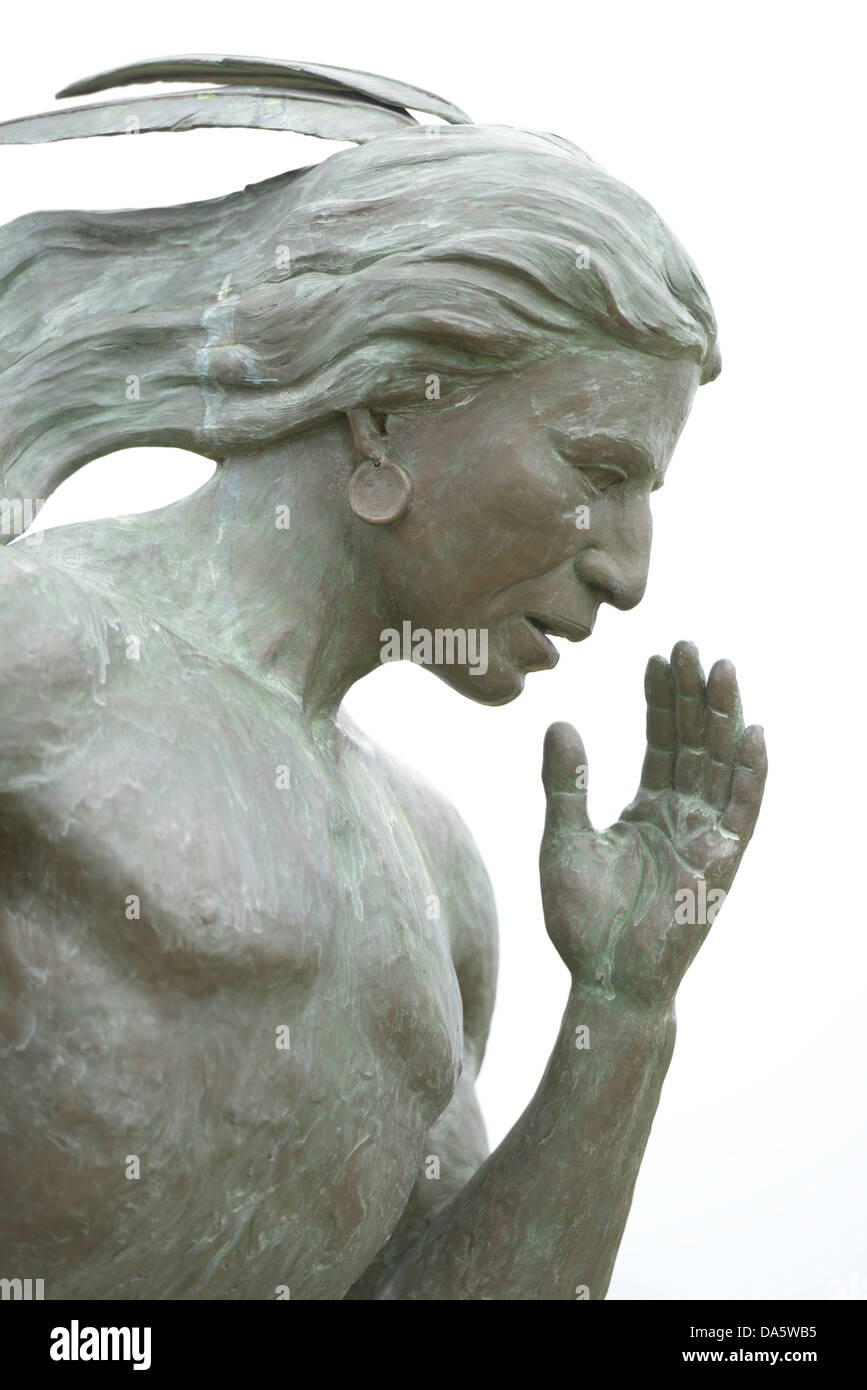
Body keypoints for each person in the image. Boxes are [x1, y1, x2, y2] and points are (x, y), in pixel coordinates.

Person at [0, 57, 766, 1299]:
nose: (629, 570)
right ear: (387, 420)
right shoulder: (31, 661)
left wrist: (619, 1021)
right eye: (597, 466)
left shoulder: (440, 878)